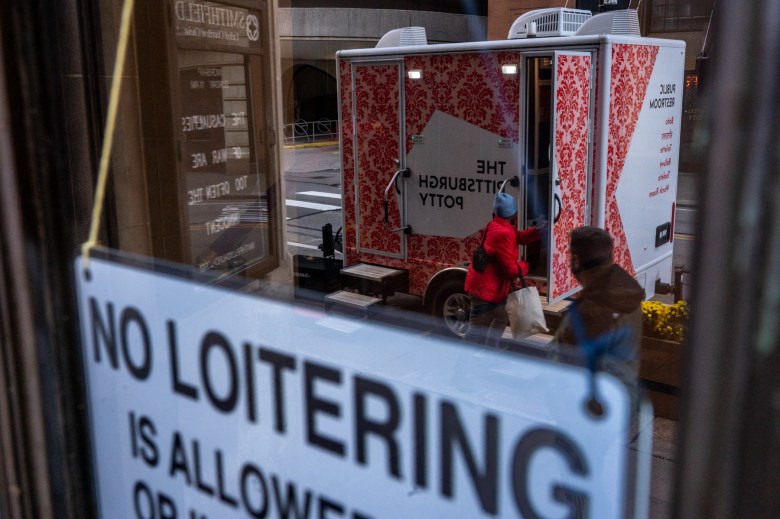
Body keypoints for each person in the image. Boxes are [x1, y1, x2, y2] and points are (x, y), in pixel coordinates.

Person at [553, 226, 644, 377]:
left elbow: (564, 364)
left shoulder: (589, 312)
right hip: (620, 392)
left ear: (576, 261)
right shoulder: (628, 293)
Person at [463, 193, 542, 347]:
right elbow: (512, 270)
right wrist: (526, 265)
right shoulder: (503, 233)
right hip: (485, 291)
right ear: (513, 213)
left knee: (502, 317)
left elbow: (519, 237)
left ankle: (490, 352)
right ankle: (460, 369)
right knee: (476, 332)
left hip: (488, 287)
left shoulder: (495, 225)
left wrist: (538, 230)